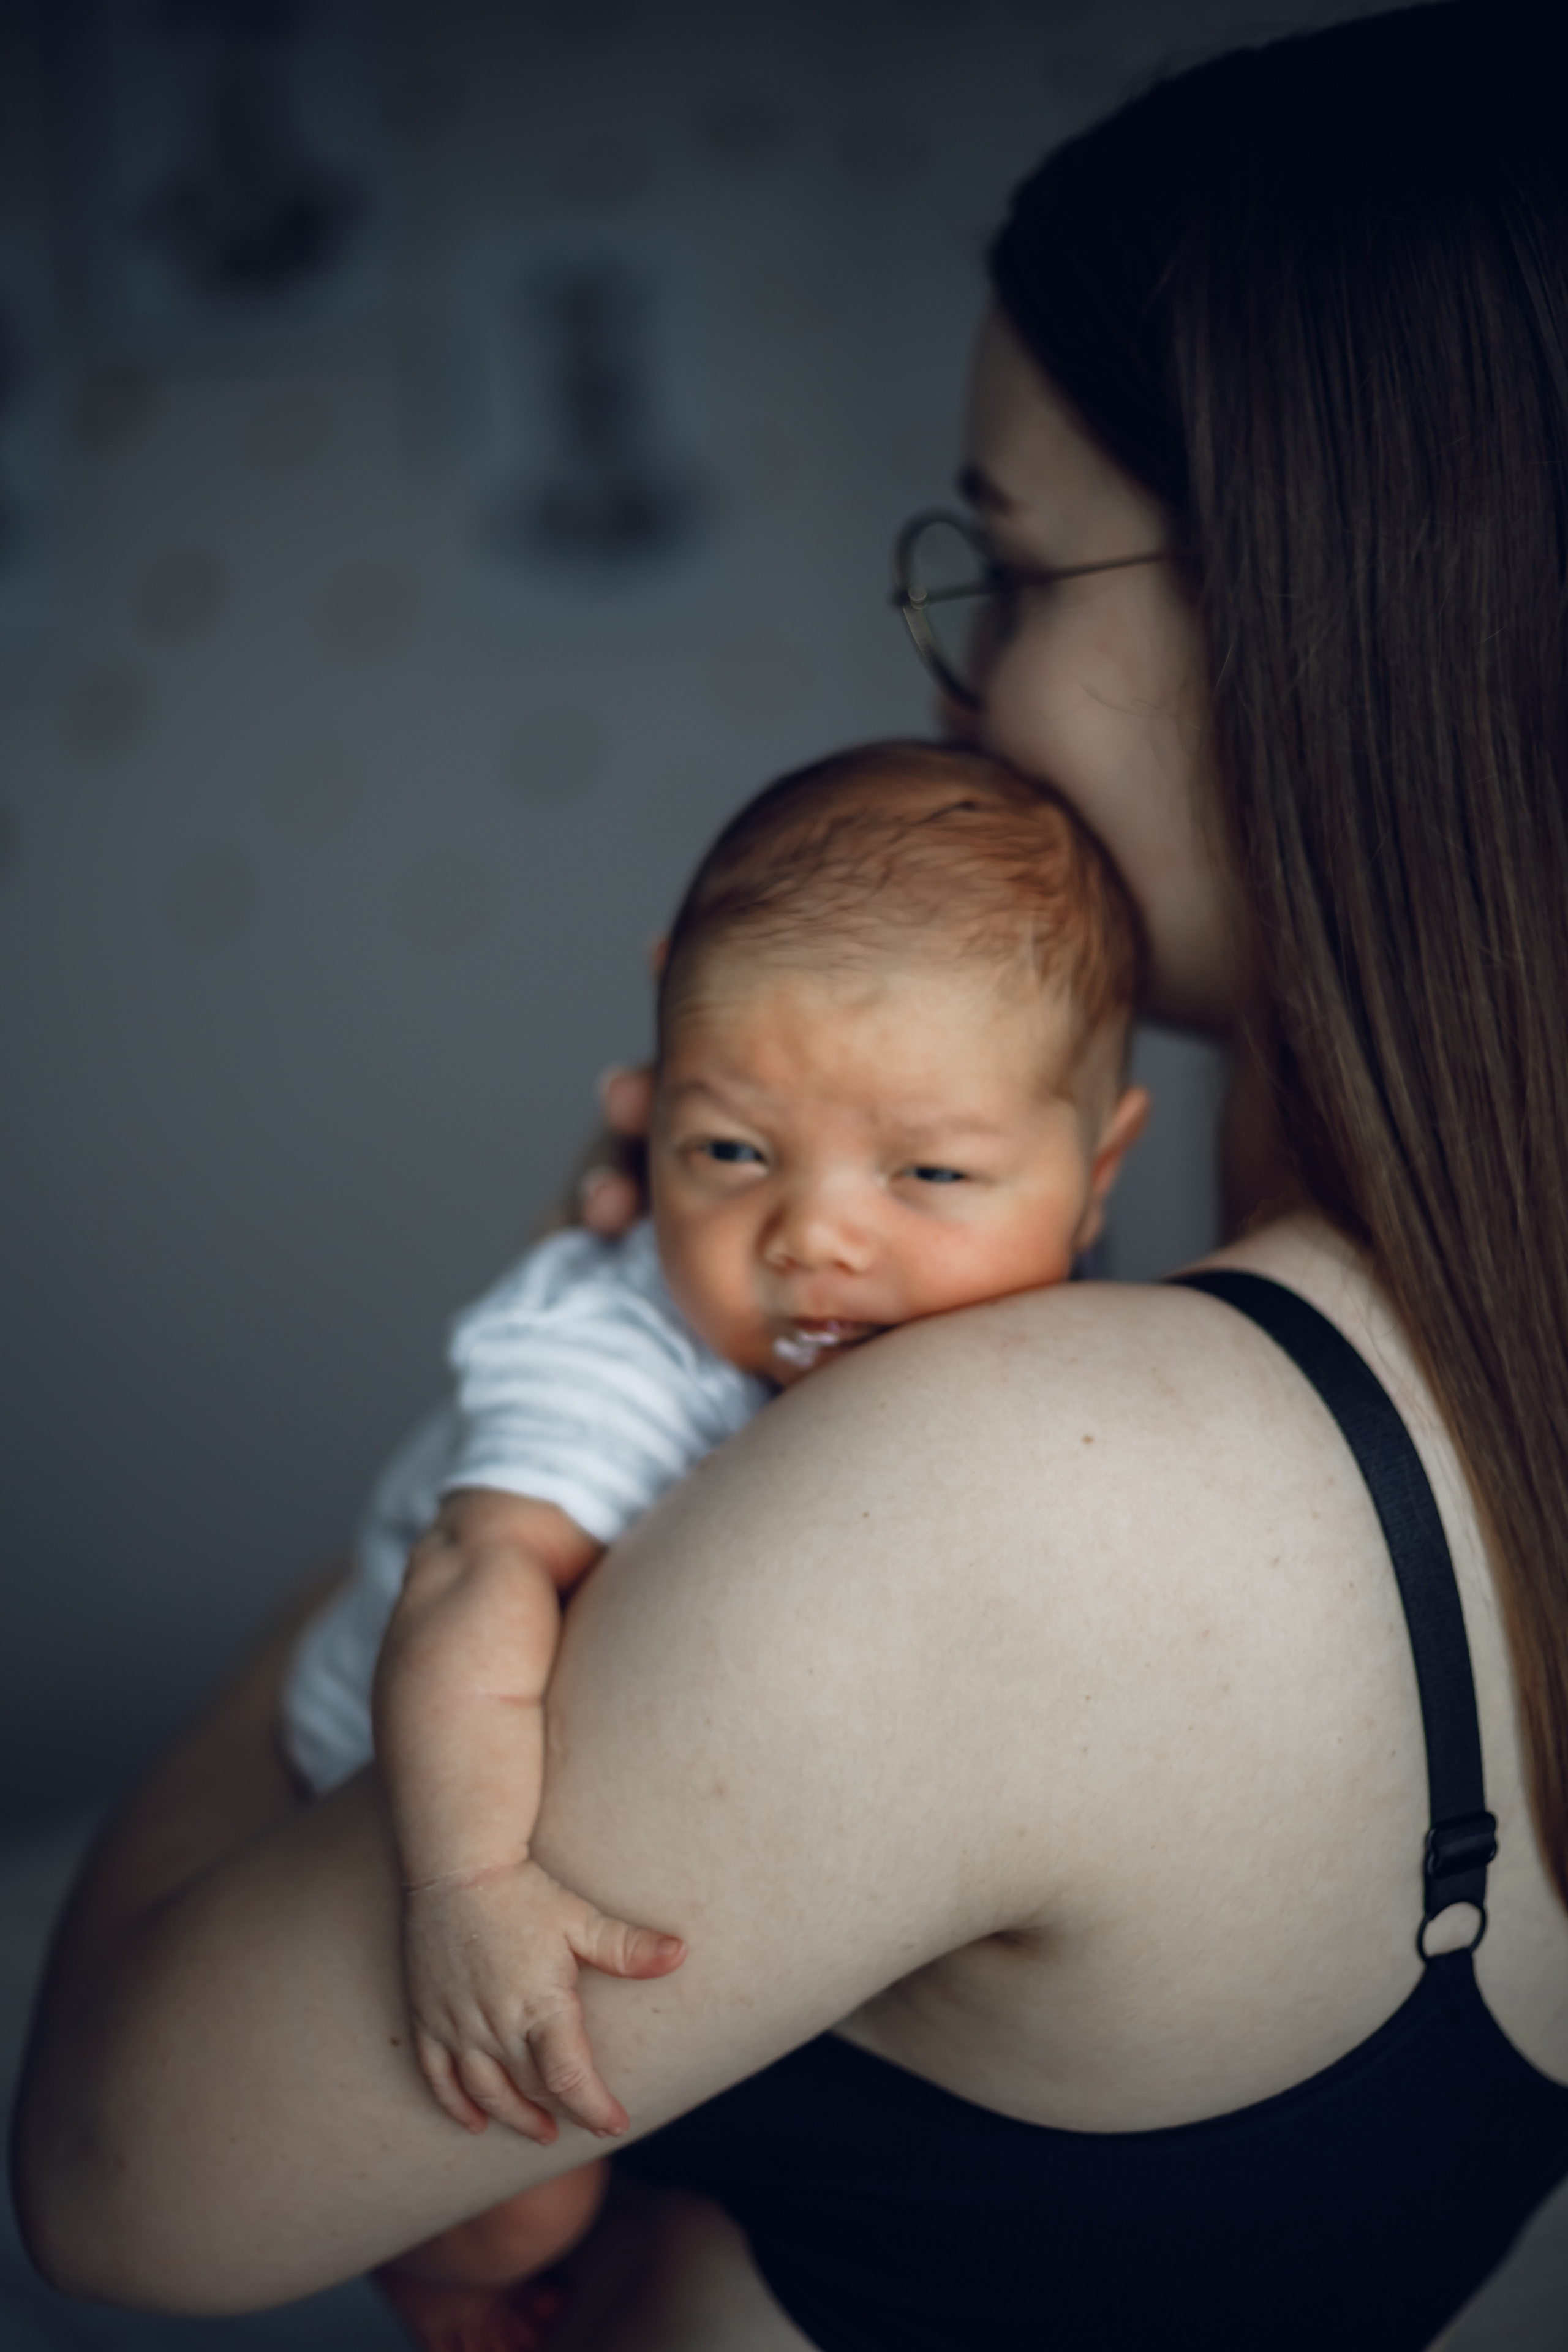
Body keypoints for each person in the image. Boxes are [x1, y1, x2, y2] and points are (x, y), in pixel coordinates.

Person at [15, 7, 1568, 2347]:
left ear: (1324, 622)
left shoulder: (1024, 1496)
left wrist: (514, 1419)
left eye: (1024, 576)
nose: (961, 686)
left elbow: (121, 2177)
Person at [282, 741, 1148, 2343]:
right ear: (651, 1092)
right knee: (532, 2178)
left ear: (1095, 1175)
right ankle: (443, 2273)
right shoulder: (622, 1357)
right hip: (401, 1758)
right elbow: (472, 1584)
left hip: (631, 1771)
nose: (812, 1236)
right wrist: (466, 1884)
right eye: (732, 1150)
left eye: (932, 1173)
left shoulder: (1060, 1347)